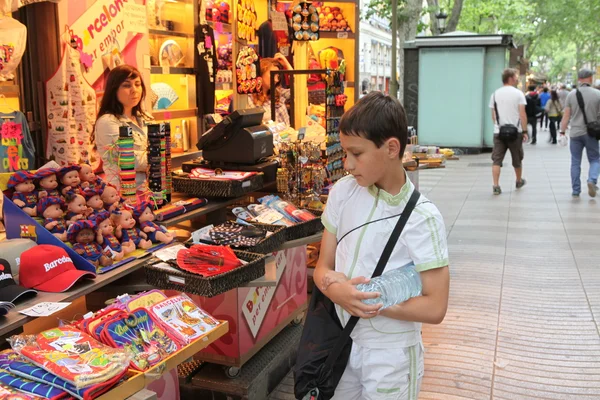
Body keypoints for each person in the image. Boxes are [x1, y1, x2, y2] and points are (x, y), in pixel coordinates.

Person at [313, 92, 449, 400]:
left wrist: (370, 303)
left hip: (393, 356)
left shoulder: (422, 217)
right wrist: (336, 291)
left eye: (356, 154)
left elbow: (435, 306)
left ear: (391, 148)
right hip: (341, 343)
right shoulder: (343, 194)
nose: (346, 164)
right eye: (344, 153)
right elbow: (322, 267)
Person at [94, 65, 151, 190]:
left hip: (150, 190)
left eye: (137, 84)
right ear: (114, 90)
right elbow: (128, 159)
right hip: (123, 194)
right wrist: (158, 157)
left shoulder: (146, 117)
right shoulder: (107, 121)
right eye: (126, 85)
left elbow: (162, 148)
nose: (134, 90)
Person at [560, 68, 600, 198]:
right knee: (594, 159)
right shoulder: (597, 94)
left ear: (579, 79)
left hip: (575, 133)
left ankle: (576, 190)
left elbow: (566, 116)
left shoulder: (571, 95)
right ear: (589, 78)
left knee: (575, 161)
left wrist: (562, 132)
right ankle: (592, 180)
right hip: (592, 133)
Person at [489, 68, 528, 195]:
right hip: (515, 132)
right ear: (511, 78)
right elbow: (522, 114)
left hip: (499, 131)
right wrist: (525, 131)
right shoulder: (518, 94)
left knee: (497, 160)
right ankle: (518, 180)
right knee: (517, 159)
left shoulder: (495, 94)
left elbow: (493, 115)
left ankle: (496, 185)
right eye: (516, 77)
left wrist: (497, 126)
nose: (517, 79)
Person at [248, 53, 293, 126]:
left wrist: (287, 64)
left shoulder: (279, 92)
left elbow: (297, 90)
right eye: (272, 74)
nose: (276, 79)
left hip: (287, 135)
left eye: (277, 76)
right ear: (261, 73)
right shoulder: (250, 99)